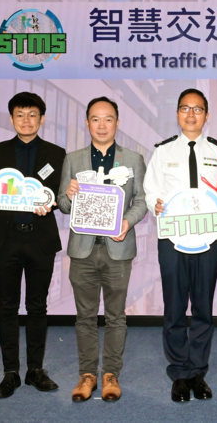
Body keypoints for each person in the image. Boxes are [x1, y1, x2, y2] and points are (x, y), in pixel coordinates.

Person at [143, 88, 217, 402]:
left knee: (202, 307)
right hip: (173, 238)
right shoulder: (163, 151)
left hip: (207, 238)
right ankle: (179, 373)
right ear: (177, 114)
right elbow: (150, 190)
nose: (191, 114)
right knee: (173, 308)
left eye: (198, 109)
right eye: (185, 108)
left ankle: (198, 371)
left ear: (207, 116)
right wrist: (155, 204)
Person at [57, 97, 148, 402]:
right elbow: (64, 205)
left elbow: (142, 201)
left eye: (108, 119)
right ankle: (87, 375)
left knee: (116, 316)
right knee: (84, 317)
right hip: (82, 249)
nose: (102, 125)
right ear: (87, 123)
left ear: (117, 123)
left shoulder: (133, 159)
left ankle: (111, 374)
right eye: (95, 119)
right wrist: (69, 195)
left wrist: (126, 222)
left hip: (118, 249)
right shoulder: (73, 159)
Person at [0, 92, 66, 398]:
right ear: (11, 118)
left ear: (42, 119)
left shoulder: (57, 154)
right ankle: (10, 373)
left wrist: (53, 204)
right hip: (6, 239)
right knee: (6, 307)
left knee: (37, 306)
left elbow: (58, 194)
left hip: (40, 238)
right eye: (20, 114)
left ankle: (35, 370)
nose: (26, 120)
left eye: (32, 115)